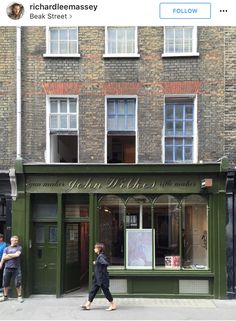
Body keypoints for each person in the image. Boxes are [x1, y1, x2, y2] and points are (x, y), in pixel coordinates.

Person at [81, 242, 116, 311]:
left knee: (106, 291)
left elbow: (105, 263)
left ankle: (113, 305)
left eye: (95, 248)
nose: (94, 249)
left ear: (99, 249)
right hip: (98, 278)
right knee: (93, 291)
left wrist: (97, 262)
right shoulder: (99, 256)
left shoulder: (101, 257)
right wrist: (97, 262)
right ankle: (88, 304)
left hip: (102, 278)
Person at [0, 235, 23, 303]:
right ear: (11, 241)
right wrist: (1, 263)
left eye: (17, 240)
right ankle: (5, 296)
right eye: (15, 240)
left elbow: (17, 255)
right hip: (7, 268)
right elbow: (3, 258)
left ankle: (19, 296)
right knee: (5, 283)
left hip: (16, 268)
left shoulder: (19, 247)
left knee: (17, 283)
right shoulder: (6, 248)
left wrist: (8, 255)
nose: (16, 242)